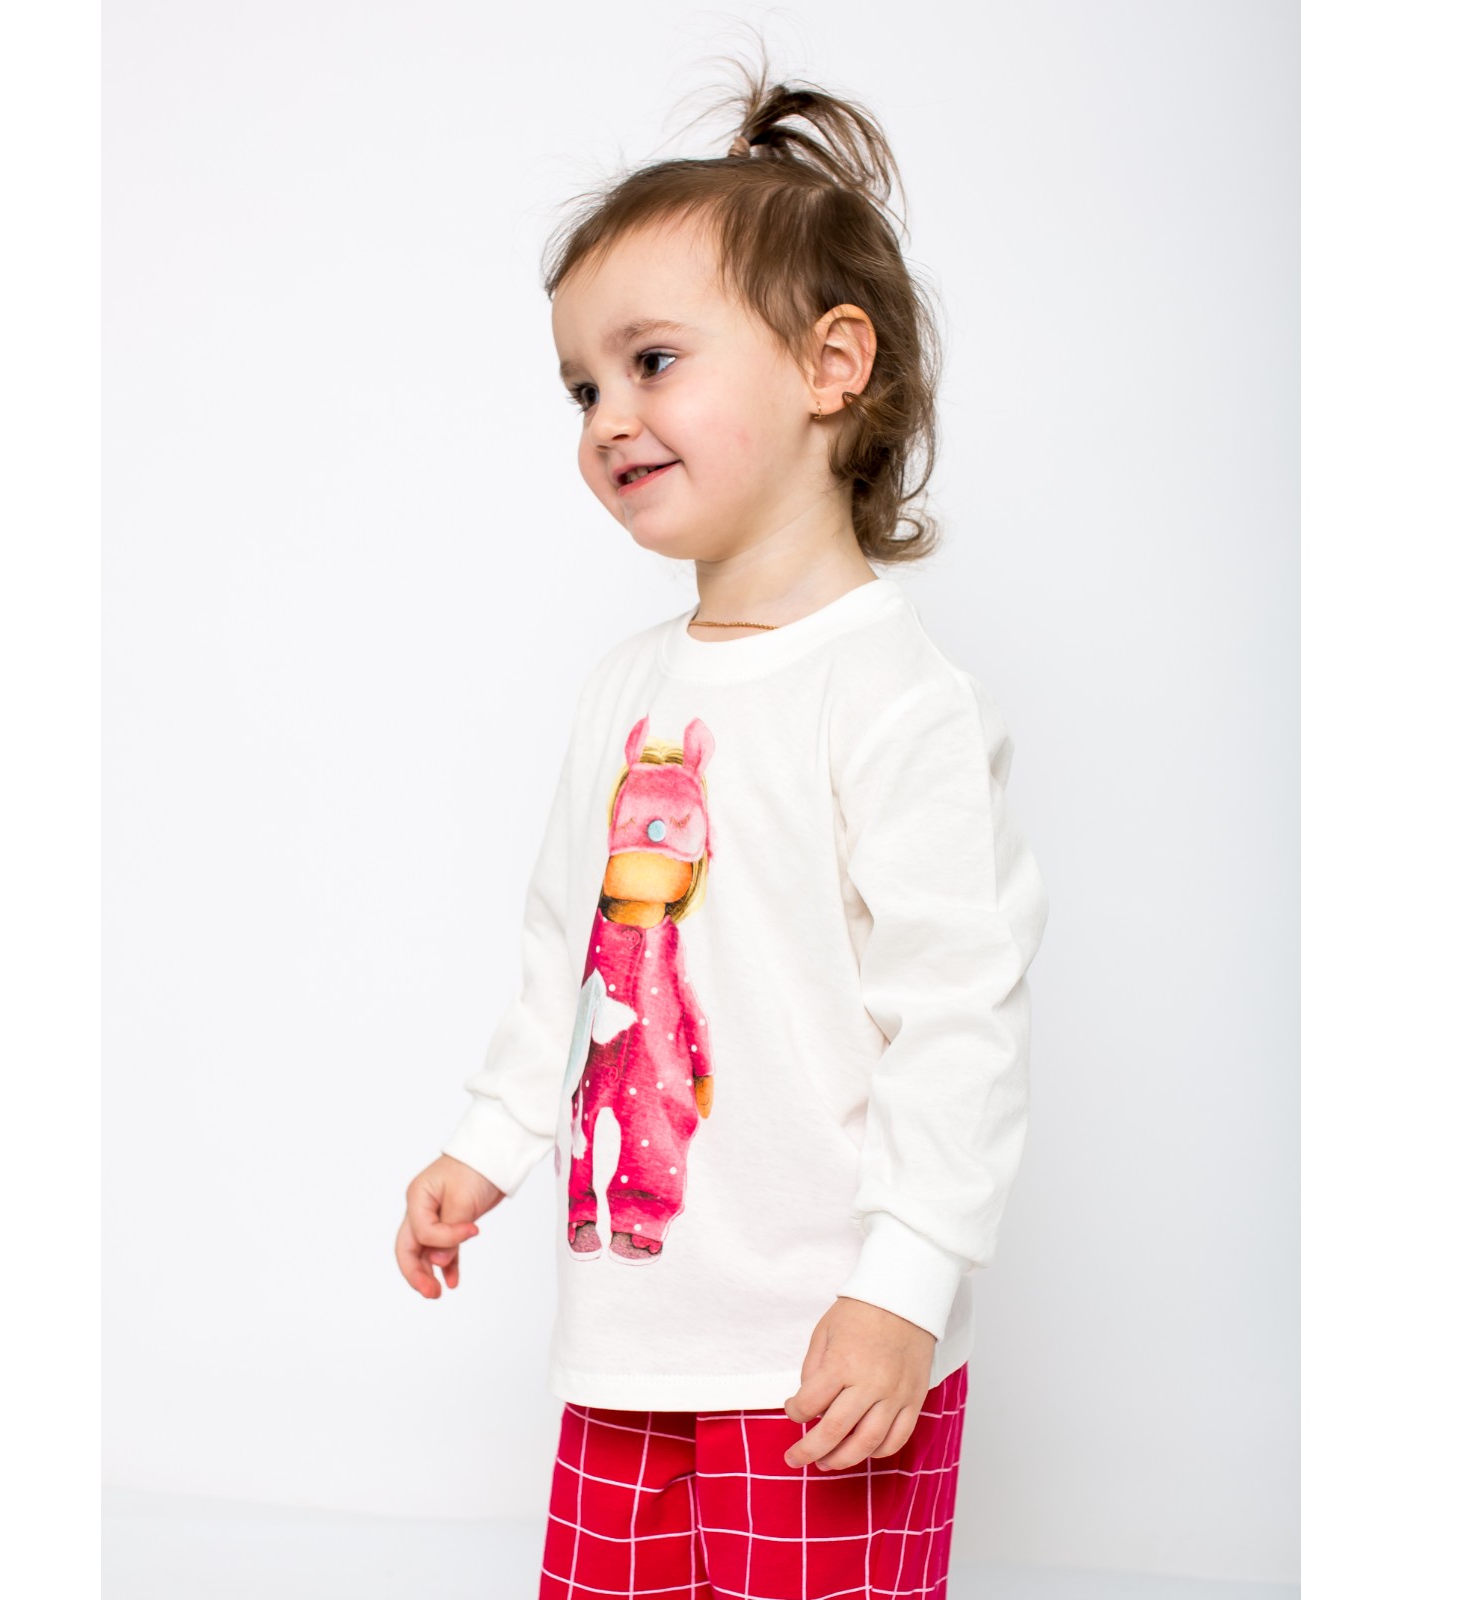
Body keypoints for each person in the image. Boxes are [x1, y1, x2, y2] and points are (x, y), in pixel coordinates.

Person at [394, 58, 1050, 1599]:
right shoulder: (625, 690)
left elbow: (958, 1015)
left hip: (828, 1347)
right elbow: (567, 951)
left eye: (651, 361)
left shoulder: (897, 699)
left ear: (832, 365)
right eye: (582, 388)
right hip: (633, 1334)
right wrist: (490, 1139)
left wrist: (904, 1285)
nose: (608, 418)